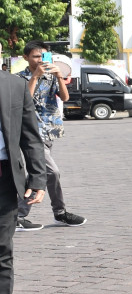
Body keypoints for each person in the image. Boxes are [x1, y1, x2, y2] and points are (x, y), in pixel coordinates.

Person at [0, 41, 48, 294]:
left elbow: (30, 136)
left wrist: (38, 178)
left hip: (4, 178)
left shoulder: (14, 86)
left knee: (2, 252)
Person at [16, 41, 87, 230]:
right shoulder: (19, 78)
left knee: (39, 173)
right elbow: (24, 101)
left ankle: (20, 215)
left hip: (49, 131)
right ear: (26, 57)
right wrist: (35, 77)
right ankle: (57, 213)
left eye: (44, 56)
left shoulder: (51, 77)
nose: (40, 60)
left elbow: (64, 97)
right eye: (36, 56)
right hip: (31, 132)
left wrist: (59, 76)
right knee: (51, 172)